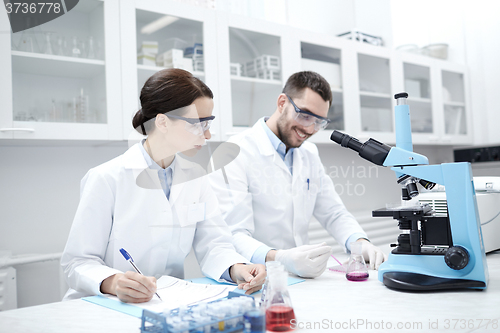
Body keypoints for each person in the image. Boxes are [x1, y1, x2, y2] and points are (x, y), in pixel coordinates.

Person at [61, 68, 265, 303]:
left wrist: (237, 268)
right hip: (106, 306)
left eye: (208, 123)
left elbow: (214, 244)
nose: (207, 135)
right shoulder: (107, 178)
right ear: (163, 122)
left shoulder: (196, 177)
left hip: (167, 302)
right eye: (198, 124)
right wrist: (114, 282)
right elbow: (77, 262)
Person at [209, 71, 387, 278]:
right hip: (255, 277)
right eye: (304, 115)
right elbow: (233, 234)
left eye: (319, 122)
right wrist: (280, 258)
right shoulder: (235, 152)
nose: (309, 128)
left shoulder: (309, 153)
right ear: (282, 102)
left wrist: (359, 242)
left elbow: (333, 212)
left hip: (299, 278)